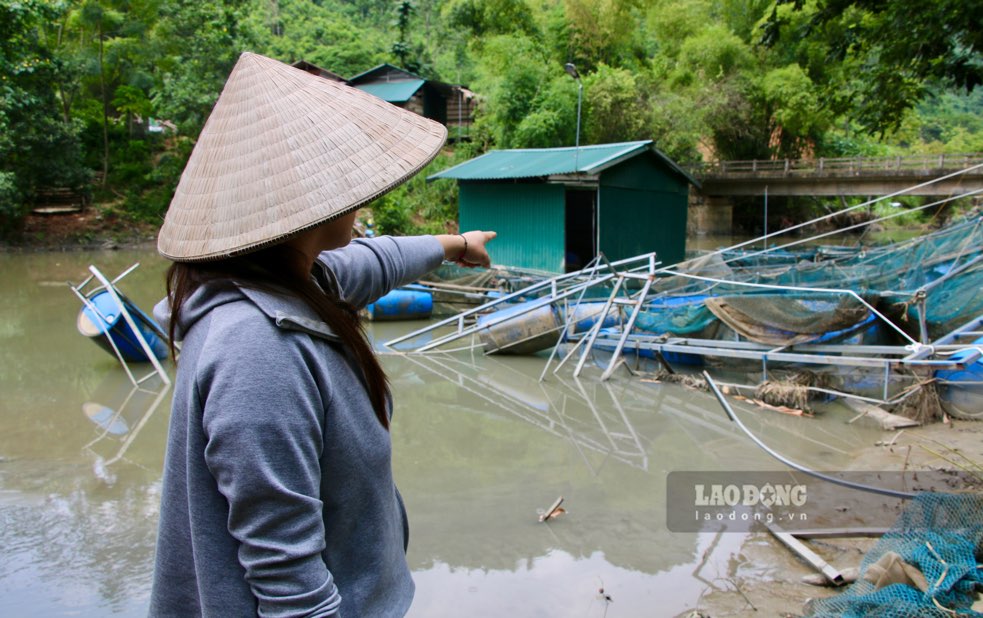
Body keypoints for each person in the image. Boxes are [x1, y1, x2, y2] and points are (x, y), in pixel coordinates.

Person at [149, 52, 495, 617]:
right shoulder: (258, 348)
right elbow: (291, 587)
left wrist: (456, 244)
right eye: (345, 175)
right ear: (304, 194)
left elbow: (377, 259)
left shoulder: (295, 281)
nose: (360, 193)